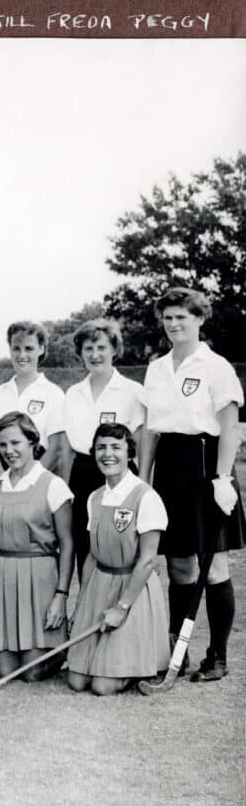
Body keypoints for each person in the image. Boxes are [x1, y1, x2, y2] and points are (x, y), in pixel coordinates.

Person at [139, 287, 245, 682]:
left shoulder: (216, 366)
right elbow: (150, 430)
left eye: (182, 316)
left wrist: (222, 477)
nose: (174, 324)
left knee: (214, 564)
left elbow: (230, 425)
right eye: (168, 317)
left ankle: (217, 656)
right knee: (179, 564)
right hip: (170, 466)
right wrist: (143, 481)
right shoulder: (156, 368)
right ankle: (177, 653)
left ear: (200, 319)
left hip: (207, 465)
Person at [0, 411, 75, 680]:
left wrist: (61, 596)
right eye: (2, 445)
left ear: (33, 442)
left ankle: (62, 648)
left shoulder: (53, 485)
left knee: (32, 673)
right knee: (4, 671)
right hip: (1, 576)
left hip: (40, 576)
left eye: (15, 443)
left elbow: (68, 545)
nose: (8, 451)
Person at [67, 424, 169, 695]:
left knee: (101, 686)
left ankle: (137, 661)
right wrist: (81, 603)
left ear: (129, 453)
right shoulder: (94, 497)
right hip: (100, 585)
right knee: (76, 682)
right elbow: (91, 555)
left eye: (116, 447)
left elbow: (147, 560)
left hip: (131, 591)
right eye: (101, 447)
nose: (107, 454)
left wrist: (122, 607)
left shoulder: (146, 496)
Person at [60, 317, 145, 579]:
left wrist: (141, 487)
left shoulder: (132, 391)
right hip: (82, 475)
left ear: (114, 349)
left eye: (101, 348)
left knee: (118, 549)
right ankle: (86, 612)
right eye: (88, 349)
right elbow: (66, 448)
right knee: (84, 548)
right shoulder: (73, 393)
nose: (95, 355)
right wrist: (65, 490)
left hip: (119, 476)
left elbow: (141, 444)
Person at [0, 321, 65, 476]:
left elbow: (56, 447)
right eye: (16, 348)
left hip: (40, 479)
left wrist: (30, 481)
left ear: (41, 349)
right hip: (3, 478)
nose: (22, 355)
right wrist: (3, 480)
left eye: (29, 349)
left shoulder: (54, 393)